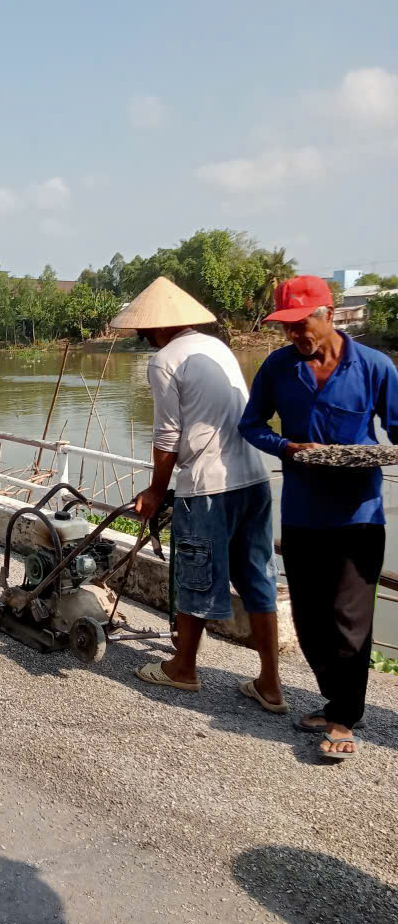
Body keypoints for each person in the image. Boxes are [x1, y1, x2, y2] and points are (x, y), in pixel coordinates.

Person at [239, 275, 398, 761]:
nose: (295, 334)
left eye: (301, 323)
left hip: (359, 514)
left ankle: (344, 718)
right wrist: (286, 447)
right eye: (286, 327)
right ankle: (337, 700)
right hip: (303, 513)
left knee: (350, 620)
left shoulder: (374, 366)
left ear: (329, 314)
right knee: (309, 619)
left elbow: (396, 428)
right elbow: (251, 424)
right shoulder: (279, 367)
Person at [110, 277, 286, 712]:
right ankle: (270, 682)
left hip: (208, 487)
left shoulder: (165, 360)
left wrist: (155, 490)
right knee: (258, 579)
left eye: (145, 333)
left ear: (157, 328)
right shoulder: (217, 348)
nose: (146, 340)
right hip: (254, 479)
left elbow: (167, 436)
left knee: (196, 575)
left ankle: (183, 668)